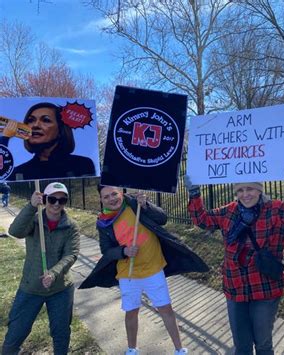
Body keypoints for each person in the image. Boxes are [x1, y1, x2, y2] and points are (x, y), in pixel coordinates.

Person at [184, 161, 284, 355]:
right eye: (241, 190)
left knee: (263, 345)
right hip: (235, 288)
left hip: (265, 288)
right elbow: (203, 220)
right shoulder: (229, 211)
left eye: (250, 188)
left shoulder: (277, 210)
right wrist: (194, 194)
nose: (246, 194)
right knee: (241, 346)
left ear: (260, 190)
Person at [79, 185, 209, 355]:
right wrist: (123, 251)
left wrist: (146, 204)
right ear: (101, 200)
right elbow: (106, 250)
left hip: (153, 269)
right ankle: (132, 349)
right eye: (106, 197)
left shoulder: (136, 204)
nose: (112, 199)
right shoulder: (103, 221)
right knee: (131, 311)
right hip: (128, 274)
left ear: (122, 193)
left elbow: (162, 218)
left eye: (114, 194)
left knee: (165, 309)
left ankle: (179, 349)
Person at [2, 182, 80, 355]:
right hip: (31, 287)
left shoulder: (71, 226)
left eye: (62, 200)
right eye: (52, 199)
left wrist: (53, 273)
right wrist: (30, 206)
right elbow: (15, 231)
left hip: (60, 288)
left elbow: (71, 254)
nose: (56, 204)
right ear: (44, 199)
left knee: (61, 334)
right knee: (15, 332)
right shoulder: (34, 219)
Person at [8, 102, 95, 181]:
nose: (35, 125)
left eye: (46, 120)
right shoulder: (17, 173)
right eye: (30, 120)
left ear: (61, 130)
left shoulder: (82, 165)